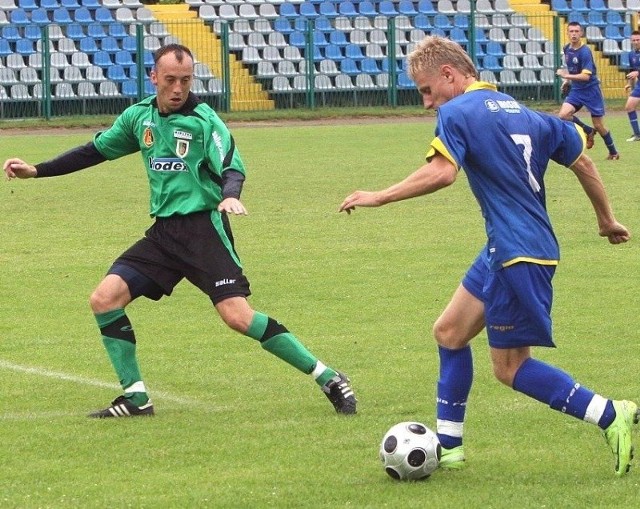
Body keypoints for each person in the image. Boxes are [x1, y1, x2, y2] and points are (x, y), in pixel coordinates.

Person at [3, 44, 356, 418]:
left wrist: (230, 196)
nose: (177, 88)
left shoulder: (205, 120)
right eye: (170, 79)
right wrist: (37, 170)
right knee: (104, 299)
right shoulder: (139, 117)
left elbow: (232, 166)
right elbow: (94, 151)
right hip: (164, 235)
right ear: (154, 77)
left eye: (185, 80)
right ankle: (137, 399)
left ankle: (328, 377)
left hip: (204, 231)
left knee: (238, 317)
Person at [339, 35, 637, 476]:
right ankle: (450, 447)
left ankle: (612, 414)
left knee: (511, 368)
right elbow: (586, 163)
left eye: (426, 90)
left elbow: (442, 173)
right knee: (449, 332)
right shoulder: (529, 114)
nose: (426, 103)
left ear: (449, 74)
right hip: (511, 247)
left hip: (517, 253)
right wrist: (606, 220)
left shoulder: (457, 112)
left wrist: (378, 196)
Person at [556, 21, 620, 160]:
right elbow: (575, 70)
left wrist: (565, 75)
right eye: (571, 31)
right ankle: (588, 131)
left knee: (599, 124)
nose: (573, 34)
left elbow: (585, 76)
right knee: (563, 115)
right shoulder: (567, 48)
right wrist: (567, 82)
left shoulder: (585, 52)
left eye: (576, 31)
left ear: (581, 33)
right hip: (577, 90)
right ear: (567, 33)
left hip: (591, 91)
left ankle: (613, 152)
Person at [624, 30, 640, 142]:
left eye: (638, 40)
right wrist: (629, 84)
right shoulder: (631, 54)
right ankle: (637, 135)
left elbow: (636, 72)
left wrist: (638, 73)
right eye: (634, 40)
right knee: (629, 106)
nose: (636, 42)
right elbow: (632, 71)